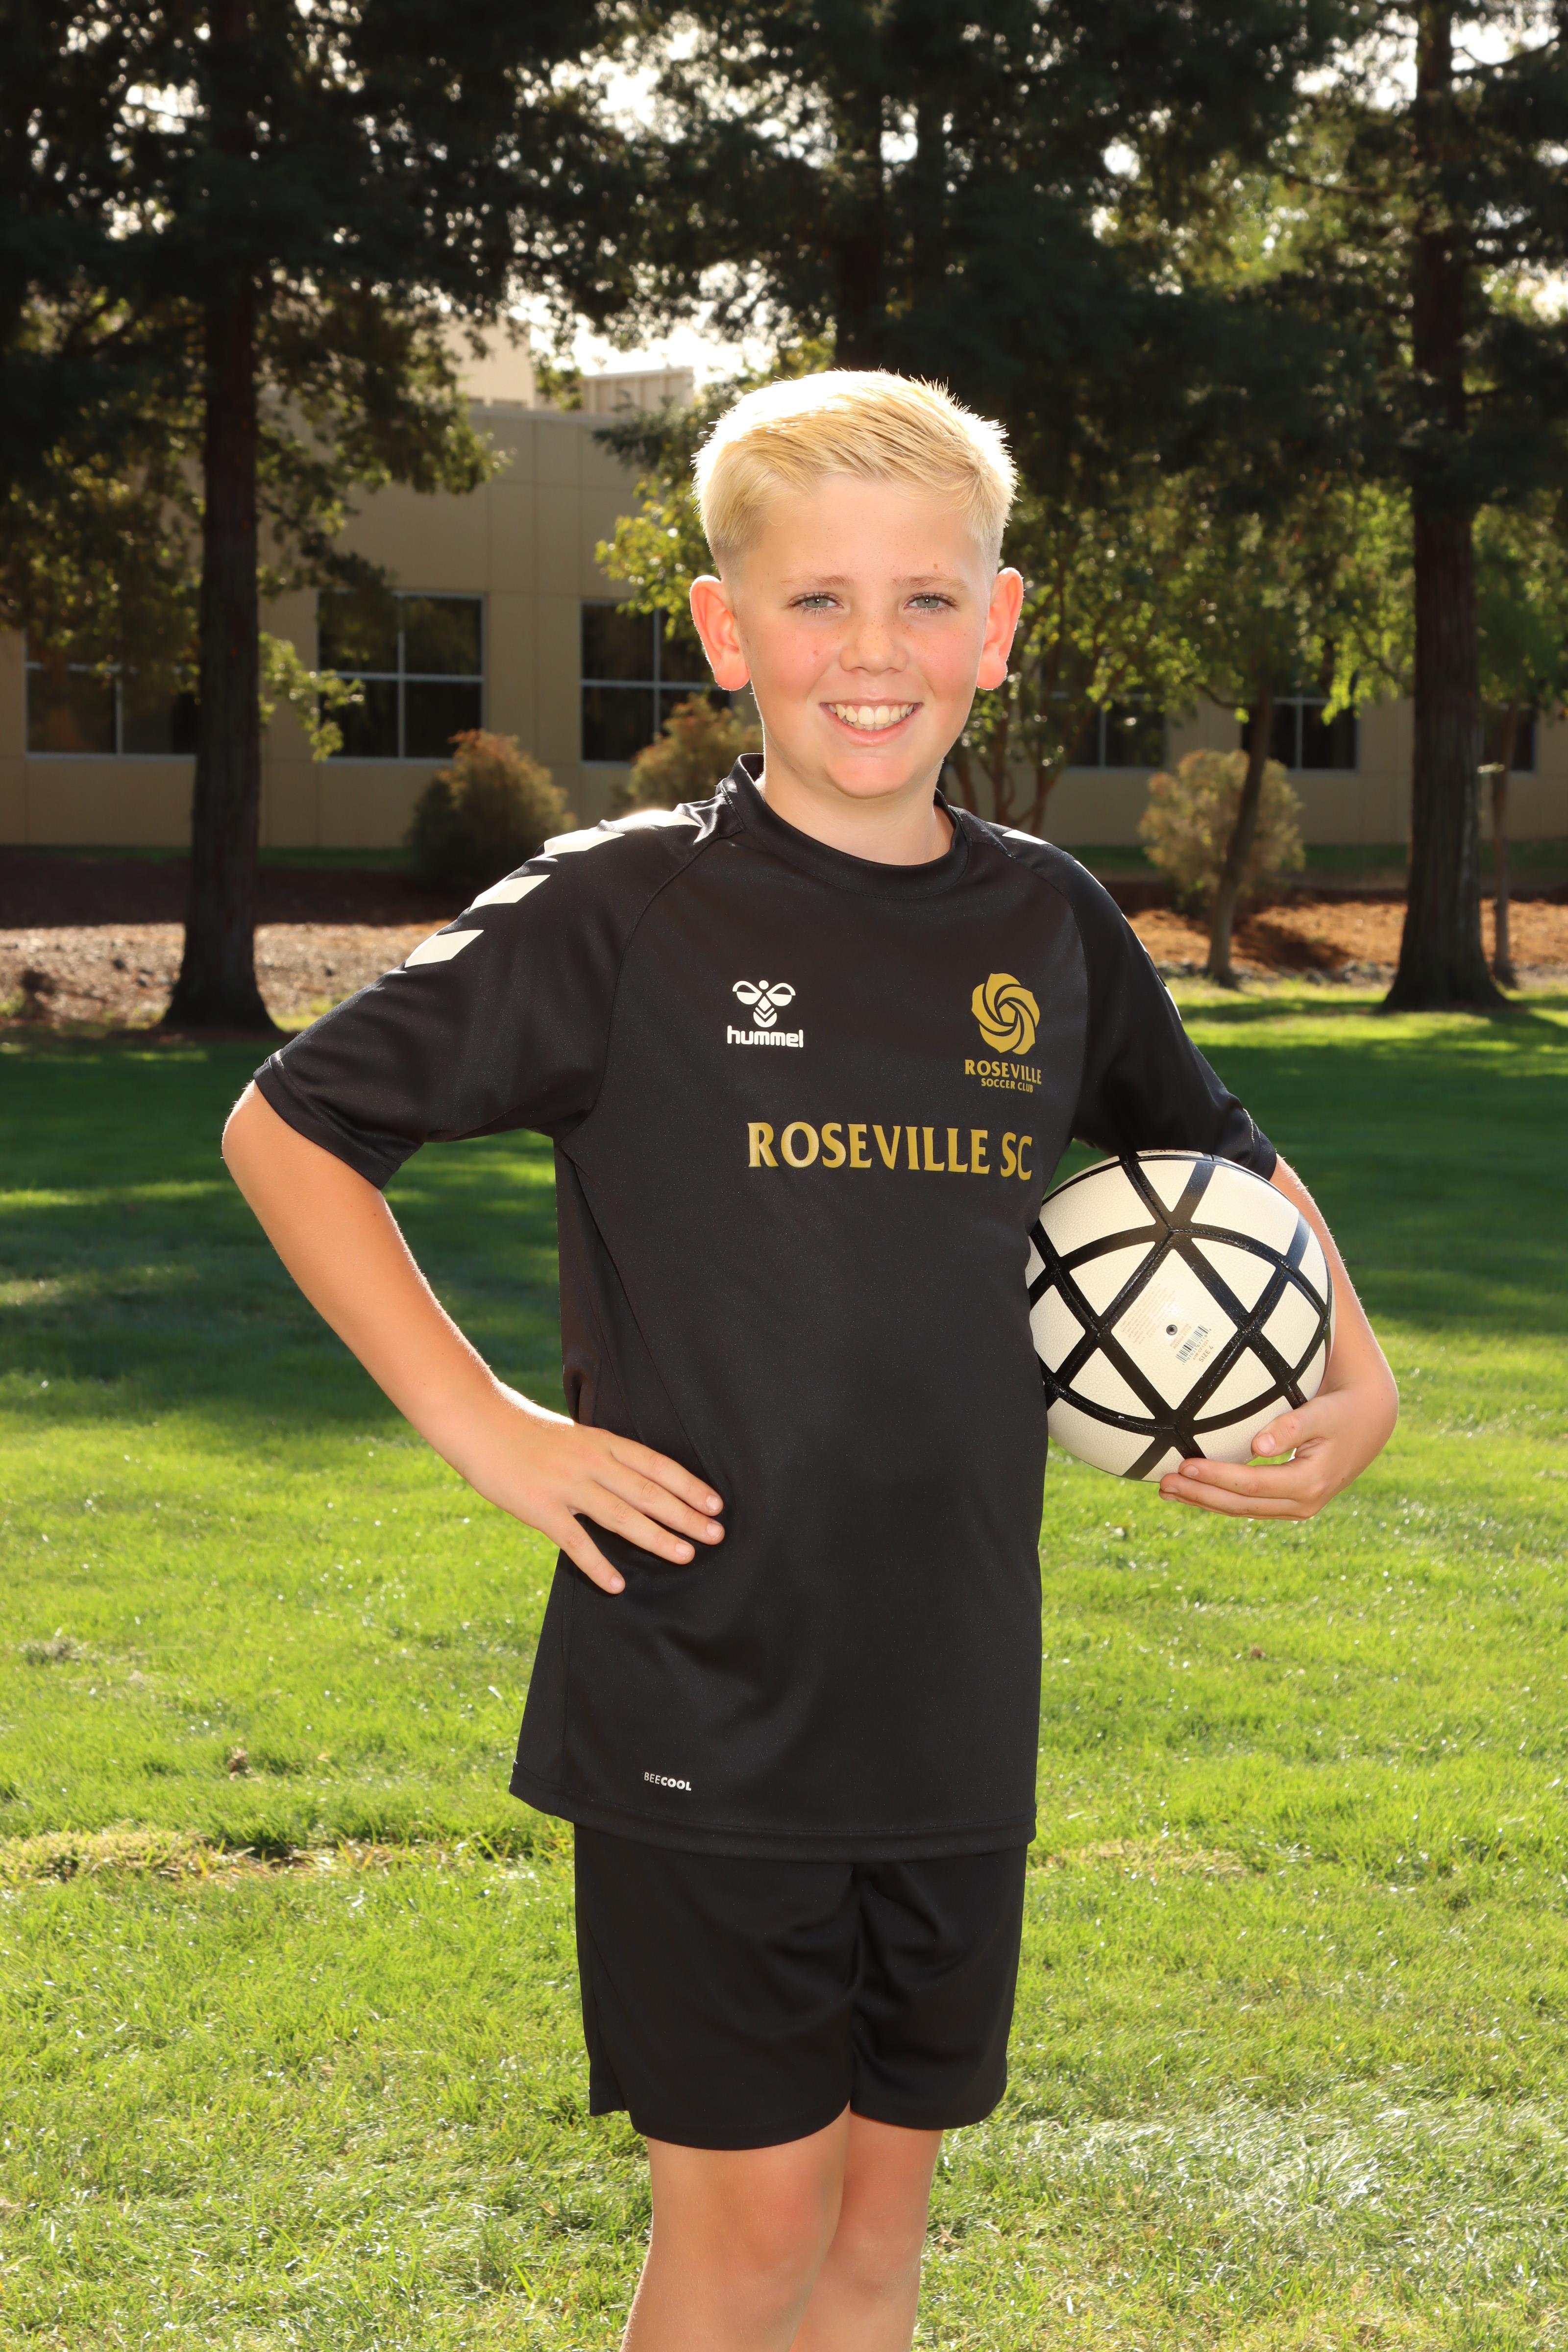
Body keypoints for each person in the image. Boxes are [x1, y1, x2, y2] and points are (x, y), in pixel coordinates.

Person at [222, 370, 1398, 2352]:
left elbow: (1221, 1157)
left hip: (949, 1697)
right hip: (706, 1685)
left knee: (872, 2243)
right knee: (750, 2243)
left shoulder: (1050, 921)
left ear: (997, 627)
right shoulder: (625, 906)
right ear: (723, 629)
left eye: (925, 600)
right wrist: (493, 1429)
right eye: (818, 601)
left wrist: (1359, 1376)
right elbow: (291, 1125)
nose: (873, 651)